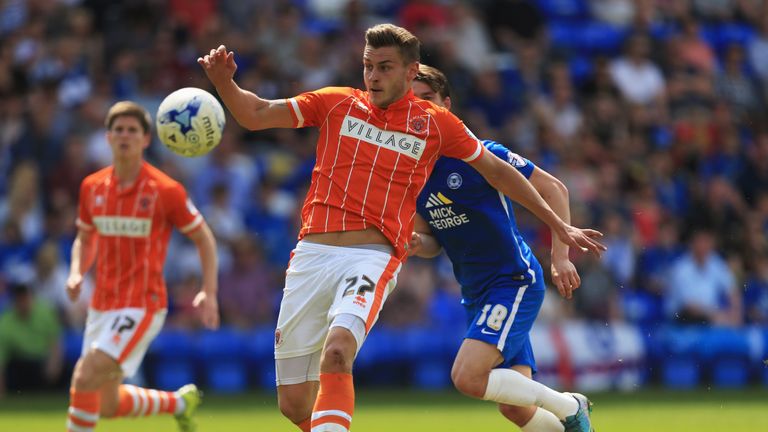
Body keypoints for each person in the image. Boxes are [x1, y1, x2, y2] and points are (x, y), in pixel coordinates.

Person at [198, 23, 604, 432]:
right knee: (294, 405)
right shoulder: (337, 103)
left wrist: (559, 230)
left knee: (340, 353)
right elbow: (256, 114)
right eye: (367, 66)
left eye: (385, 67)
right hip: (311, 256)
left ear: (410, 72)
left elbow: (500, 172)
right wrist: (224, 84)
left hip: (373, 258)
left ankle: (570, 408)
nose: (373, 76)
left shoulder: (435, 126)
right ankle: (570, 415)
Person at [408, 64, 594, 432]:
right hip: (476, 293)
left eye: (427, 100)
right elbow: (433, 244)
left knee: (466, 377)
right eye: (412, 103)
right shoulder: (411, 172)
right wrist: (416, 244)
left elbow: (554, 188)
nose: (421, 110)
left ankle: (570, 405)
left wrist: (559, 257)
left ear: (447, 104)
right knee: (515, 409)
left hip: (512, 281)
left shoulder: (480, 154)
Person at [65, 101, 220, 432]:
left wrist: (209, 292)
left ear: (146, 139)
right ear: (107, 137)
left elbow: (204, 238)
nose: (125, 136)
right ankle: (179, 403)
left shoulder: (165, 190)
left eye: (132, 130)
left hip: (142, 304)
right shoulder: (91, 187)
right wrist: (77, 271)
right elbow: (85, 238)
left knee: (84, 374)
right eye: (118, 130)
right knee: (105, 403)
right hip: (102, 305)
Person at [0, 283, 63, 398]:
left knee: (65, 370)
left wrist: (54, 364)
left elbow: (55, 342)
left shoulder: (45, 314)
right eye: (20, 300)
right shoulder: (6, 321)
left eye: (26, 299)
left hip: (41, 363)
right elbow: (1, 358)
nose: (23, 303)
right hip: (18, 364)